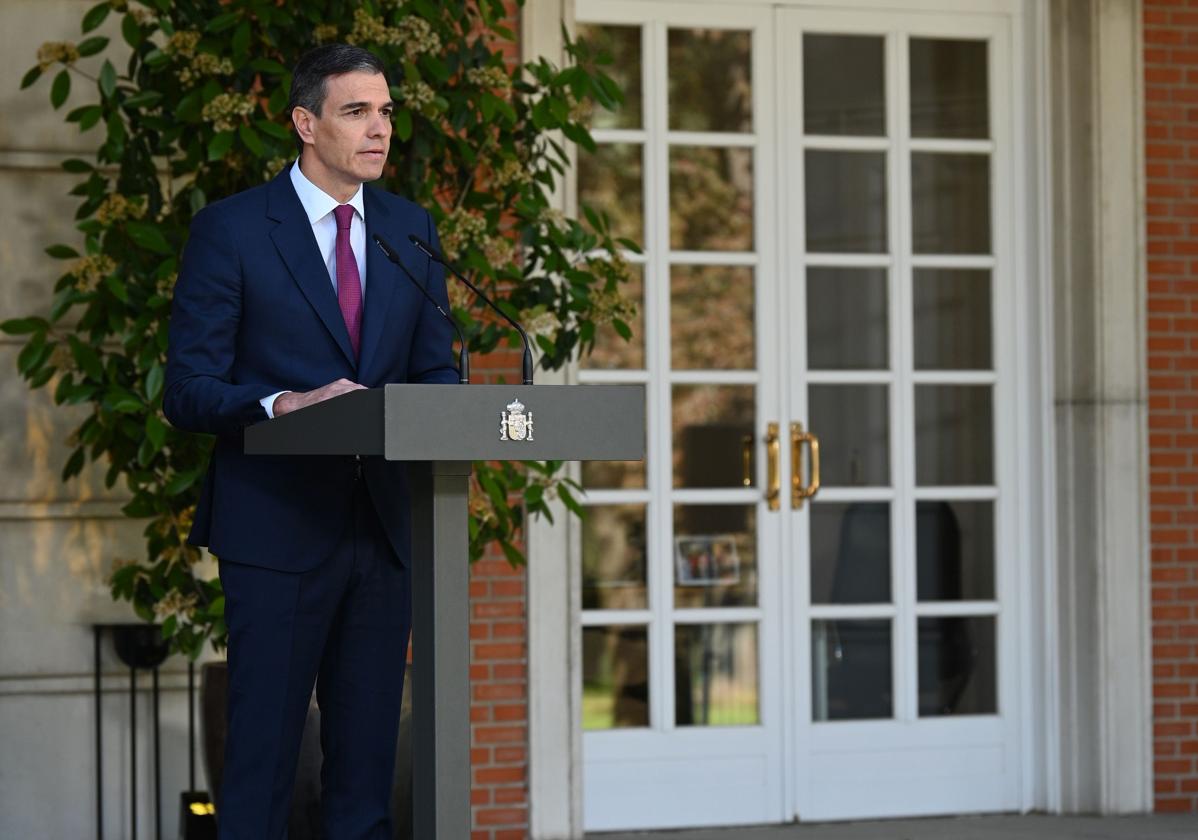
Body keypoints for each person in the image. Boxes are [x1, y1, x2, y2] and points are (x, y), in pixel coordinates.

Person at [164, 43, 459, 839]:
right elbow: (186, 390)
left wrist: (446, 408)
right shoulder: (231, 230)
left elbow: (439, 373)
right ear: (305, 122)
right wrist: (284, 402)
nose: (379, 129)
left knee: (364, 779)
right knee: (260, 772)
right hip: (277, 532)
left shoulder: (408, 229)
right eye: (356, 111)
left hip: (384, 529)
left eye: (387, 111)